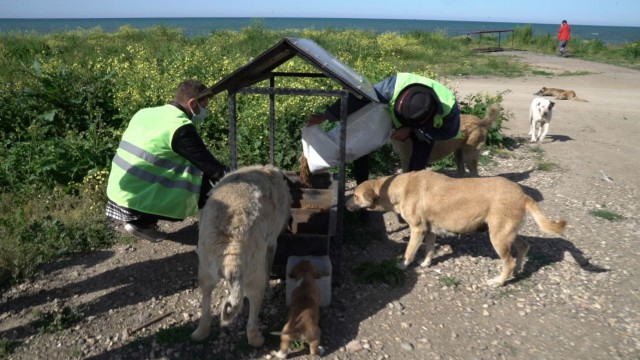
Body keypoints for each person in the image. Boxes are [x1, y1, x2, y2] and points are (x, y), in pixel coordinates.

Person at [105, 79, 228, 242]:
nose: (204, 112)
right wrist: (246, 181)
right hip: (136, 201)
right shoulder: (180, 127)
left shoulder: (145, 113)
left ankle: (144, 220)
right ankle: (142, 221)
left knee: (188, 167)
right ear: (192, 103)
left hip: (117, 192)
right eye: (203, 107)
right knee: (205, 182)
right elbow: (213, 168)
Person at [306, 72, 460, 185]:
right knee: (361, 145)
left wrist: (411, 129)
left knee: (418, 162)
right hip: (393, 113)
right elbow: (357, 99)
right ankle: (362, 190)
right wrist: (326, 116)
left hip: (424, 128)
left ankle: (412, 200)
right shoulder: (389, 88)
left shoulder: (449, 111)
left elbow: (447, 133)